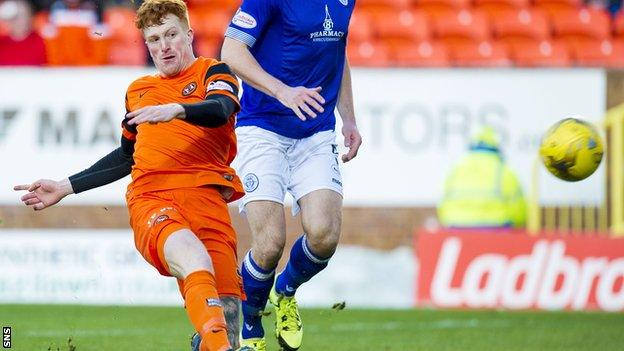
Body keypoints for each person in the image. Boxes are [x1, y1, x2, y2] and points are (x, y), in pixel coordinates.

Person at [14, 1, 249, 350]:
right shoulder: (139, 90)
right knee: (193, 257)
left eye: (171, 35)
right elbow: (128, 155)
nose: (164, 46)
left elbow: (221, 109)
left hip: (208, 200)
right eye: (154, 39)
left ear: (188, 34)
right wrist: (65, 186)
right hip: (153, 198)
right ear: (146, 44)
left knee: (227, 317)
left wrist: (177, 110)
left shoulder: (214, 73)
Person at [217, 1, 363, 350]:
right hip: (262, 127)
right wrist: (282, 91)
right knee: (269, 245)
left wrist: (350, 119)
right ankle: (249, 319)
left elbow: (336, 52)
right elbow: (231, 51)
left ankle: (285, 291)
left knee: (325, 235)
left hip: (316, 132)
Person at [438, 127, 527, 229]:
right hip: (495, 230)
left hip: (457, 228)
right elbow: (519, 210)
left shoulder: (456, 170)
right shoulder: (503, 171)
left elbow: (443, 207)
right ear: (496, 148)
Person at [0, 0, 47, 65]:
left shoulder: (42, 42)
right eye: (15, 17)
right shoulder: (2, 43)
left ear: (30, 17)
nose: (19, 21)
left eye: (24, 15)